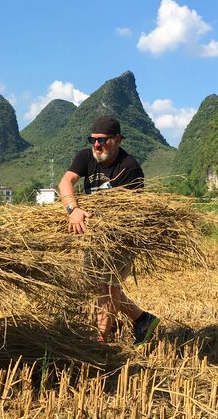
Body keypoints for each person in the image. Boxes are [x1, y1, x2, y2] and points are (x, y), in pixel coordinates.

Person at [57, 115, 160, 345]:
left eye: (102, 140)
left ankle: (101, 339)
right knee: (97, 284)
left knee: (107, 288)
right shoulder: (85, 157)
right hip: (93, 236)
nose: (96, 145)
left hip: (119, 238)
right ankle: (142, 319)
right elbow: (65, 183)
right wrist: (73, 210)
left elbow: (132, 214)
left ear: (117, 140)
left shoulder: (130, 167)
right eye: (92, 139)